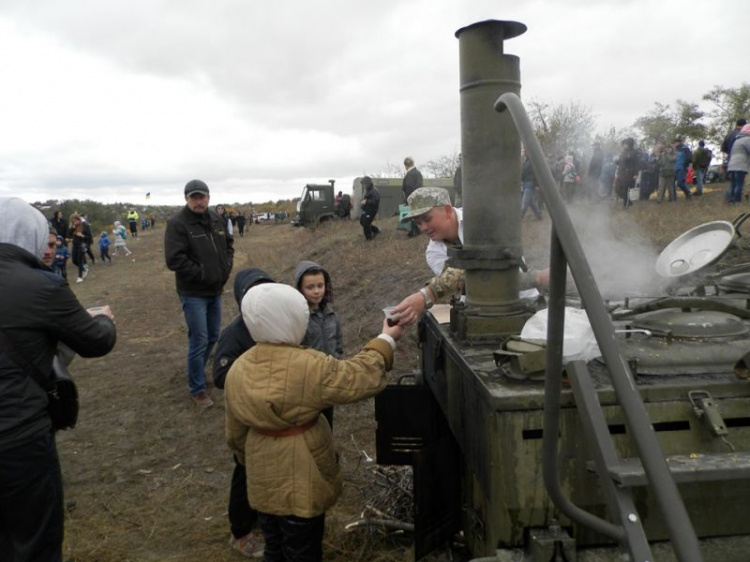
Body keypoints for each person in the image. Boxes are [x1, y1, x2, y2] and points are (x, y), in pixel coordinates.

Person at [225, 283, 403, 562]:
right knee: (303, 549)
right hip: (302, 471)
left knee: (274, 544)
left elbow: (235, 435)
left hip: (261, 471)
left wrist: (251, 461)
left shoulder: (238, 367)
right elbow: (360, 377)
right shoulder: (309, 364)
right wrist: (386, 339)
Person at [0, 197, 116, 562]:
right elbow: (95, 342)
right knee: (36, 540)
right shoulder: (40, 284)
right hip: (18, 437)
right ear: (32, 235)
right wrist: (104, 319)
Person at [390, 187, 549, 326]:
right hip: (477, 313)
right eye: (418, 223)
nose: (423, 228)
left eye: (427, 219)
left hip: (522, 305)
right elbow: (469, 281)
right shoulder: (433, 253)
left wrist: (426, 295)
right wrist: (537, 277)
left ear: (446, 210)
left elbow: (495, 276)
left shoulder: (479, 219)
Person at [213, 268, 276, 558]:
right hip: (247, 419)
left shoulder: (277, 324)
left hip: (273, 416)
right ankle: (240, 531)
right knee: (245, 471)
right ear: (241, 299)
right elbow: (220, 375)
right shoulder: (235, 333)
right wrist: (256, 379)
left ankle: (265, 520)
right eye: (253, 293)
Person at [165, 179, 234, 407]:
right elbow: (174, 259)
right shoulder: (177, 223)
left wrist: (226, 267)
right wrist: (203, 273)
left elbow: (228, 245)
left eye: (202, 196)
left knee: (213, 336)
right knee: (199, 339)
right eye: (194, 197)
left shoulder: (216, 219)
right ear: (186, 199)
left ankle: (197, 374)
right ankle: (197, 388)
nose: (198, 201)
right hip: (193, 292)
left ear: (208, 198)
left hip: (215, 290)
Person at [727, 124, 750, 205]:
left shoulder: (737, 140)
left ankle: (730, 200)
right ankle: (737, 201)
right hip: (740, 165)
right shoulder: (747, 139)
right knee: (739, 184)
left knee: (733, 184)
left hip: (732, 165)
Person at [614, 138, 639, 208]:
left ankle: (625, 204)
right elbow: (621, 162)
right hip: (621, 173)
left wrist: (636, 174)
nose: (624, 145)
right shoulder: (623, 152)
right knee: (618, 188)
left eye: (625, 144)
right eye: (624, 144)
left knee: (626, 188)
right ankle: (628, 201)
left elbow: (636, 164)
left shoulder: (634, 152)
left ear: (629, 144)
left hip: (630, 173)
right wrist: (617, 162)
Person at [67, 213, 92, 283]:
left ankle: (80, 277)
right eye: (73, 221)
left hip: (82, 244)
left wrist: (82, 235)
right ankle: (84, 268)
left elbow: (89, 236)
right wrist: (72, 228)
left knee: (80, 260)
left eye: (75, 221)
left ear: (79, 219)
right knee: (74, 260)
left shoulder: (85, 225)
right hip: (75, 244)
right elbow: (68, 235)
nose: (74, 222)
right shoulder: (73, 226)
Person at [402, 156, 424, 237]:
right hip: (417, 196)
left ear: (406, 165)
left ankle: (415, 231)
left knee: (412, 214)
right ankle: (415, 230)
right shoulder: (418, 173)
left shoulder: (410, 174)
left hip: (411, 197)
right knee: (415, 214)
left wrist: (407, 198)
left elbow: (408, 187)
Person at [520, 154, 542, 220]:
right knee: (531, 202)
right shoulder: (526, 163)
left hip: (530, 184)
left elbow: (536, 174)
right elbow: (523, 174)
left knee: (525, 202)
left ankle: (520, 216)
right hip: (526, 184)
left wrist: (537, 184)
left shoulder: (532, 163)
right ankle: (538, 215)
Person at [359, 176, 380, 241]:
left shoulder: (374, 191)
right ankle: (376, 231)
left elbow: (375, 201)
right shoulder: (368, 190)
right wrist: (363, 201)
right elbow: (366, 198)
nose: (364, 186)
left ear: (368, 183)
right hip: (366, 209)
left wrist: (366, 201)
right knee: (362, 221)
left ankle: (368, 238)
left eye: (364, 184)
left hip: (372, 210)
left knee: (366, 222)